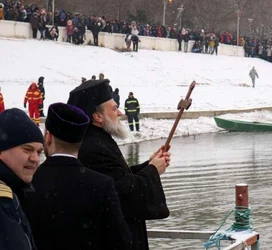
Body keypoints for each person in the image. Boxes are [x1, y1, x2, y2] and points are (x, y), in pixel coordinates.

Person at [67, 79, 170, 250]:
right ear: (98, 116)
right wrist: (152, 171)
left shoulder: (97, 139)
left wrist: (149, 165)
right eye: (114, 108)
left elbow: (120, 177)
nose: (120, 113)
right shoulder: (94, 147)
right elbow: (123, 194)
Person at [21, 103, 132, 250]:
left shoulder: (25, 183)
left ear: (48, 137)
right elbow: (123, 242)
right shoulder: (102, 185)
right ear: (80, 142)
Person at [0, 108, 44, 250]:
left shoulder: (17, 190)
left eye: (39, 152)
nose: (35, 159)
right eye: (27, 149)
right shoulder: (3, 201)